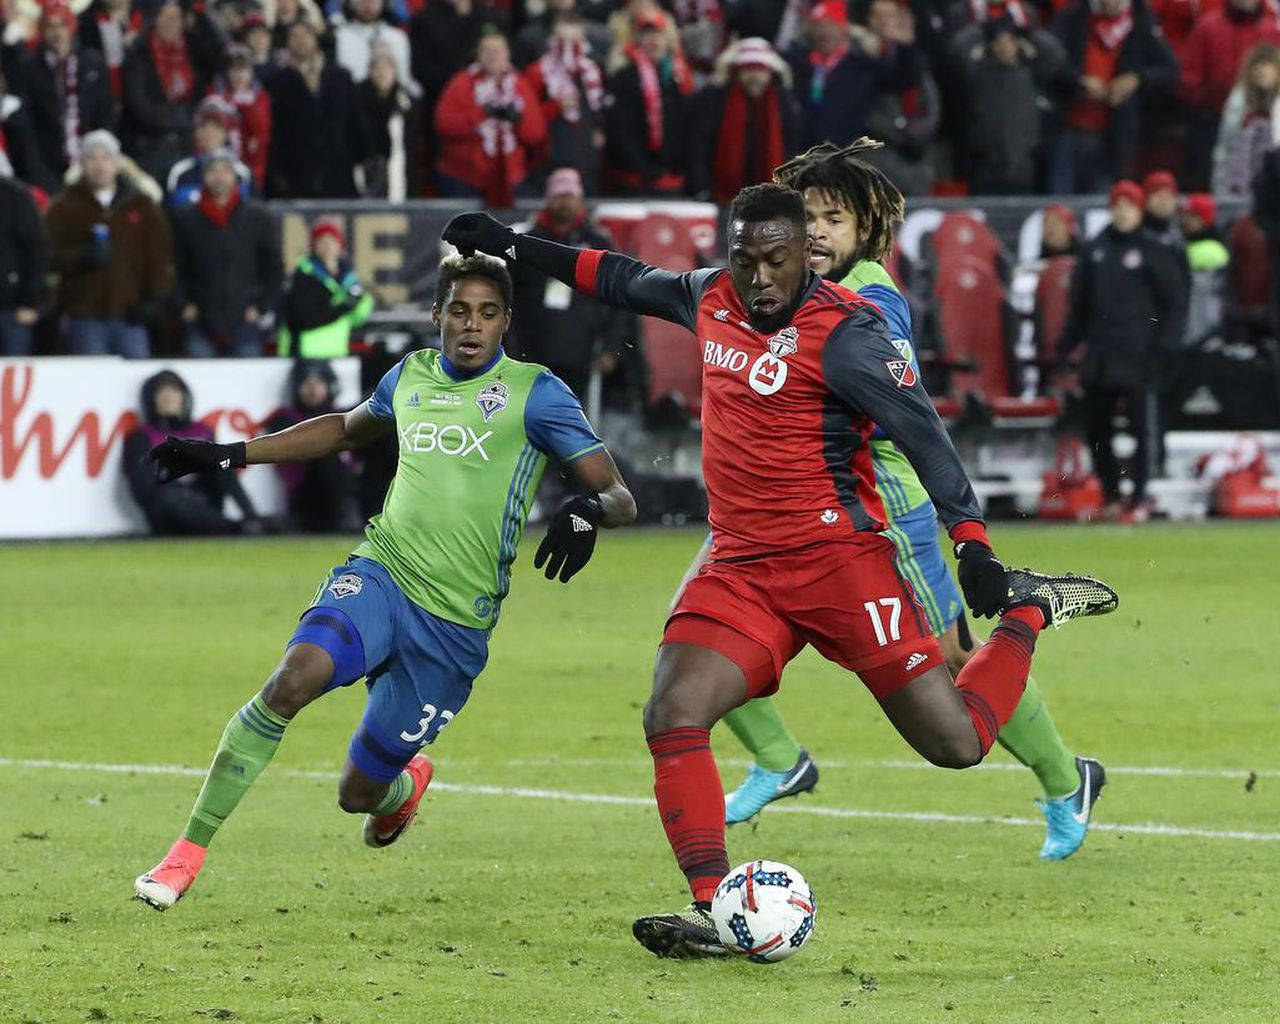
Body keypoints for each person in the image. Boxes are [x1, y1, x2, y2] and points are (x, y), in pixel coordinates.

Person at [443, 190, 1120, 959]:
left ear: (806, 255)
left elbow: (926, 437)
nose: (759, 278)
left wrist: (973, 547)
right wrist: (512, 242)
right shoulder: (711, 296)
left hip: (843, 567)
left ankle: (1028, 617)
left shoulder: (849, 334)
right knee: (673, 713)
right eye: (746, 259)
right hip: (741, 565)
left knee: (957, 745)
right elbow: (621, 277)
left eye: (776, 260)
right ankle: (718, 911)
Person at [133, 251, 637, 911]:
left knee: (357, 794)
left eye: (487, 313)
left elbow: (621, 495)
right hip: (383, 573)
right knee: (295, 677)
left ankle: (404, 788)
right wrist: (232, 453)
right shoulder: (410, 377)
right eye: (458, 310)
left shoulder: (536, 393)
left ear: (506, 321)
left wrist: (588, 514)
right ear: (437, 315)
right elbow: (344, 430)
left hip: (453, 628)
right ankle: (185, 854)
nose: (471, 325)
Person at [678, 141, 1101, 863]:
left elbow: (890, 408)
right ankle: (781, 760)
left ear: (866, 230)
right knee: (696, 630)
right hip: (768, 512)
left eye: (833, 220)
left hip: (878, 512)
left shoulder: (870, 300)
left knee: (953, 662)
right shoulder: (773, 291)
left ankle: (1067, 779)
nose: (816, 233)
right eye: (806, 217)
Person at [1057, 180, 1187, 522]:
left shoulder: (1154, 250)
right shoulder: (1095, 251)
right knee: (1097, 430)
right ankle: (1111, 494)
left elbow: (1173, 304)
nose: (1123, 212)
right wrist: (1063, 349)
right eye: (1118, 205)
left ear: (1139, 209)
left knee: (1142, 428)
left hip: (1141, 356)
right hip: (1100, 357)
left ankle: (1141, 495)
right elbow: (1079, 306)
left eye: (1129, 205)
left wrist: (1167, 347)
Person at [45, 130, 173, 358]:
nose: (99, 165)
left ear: (117, 163)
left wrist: (154, 300)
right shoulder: (63, 206)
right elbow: (49, 256)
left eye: (106, 157)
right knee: (90, 383)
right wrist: (81, 256)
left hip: (131, 314)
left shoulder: (142, 205)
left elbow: (160, 256)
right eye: (92, 158)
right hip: (84, 315)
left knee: (133, 378)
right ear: (82, 165)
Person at [507, 167, 632, 401]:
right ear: (548, 199)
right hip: (530, 351)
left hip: (581, 352)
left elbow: (619, 299)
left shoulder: (598, 241)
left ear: (580, 199)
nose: (564, 203)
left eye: (570, 196)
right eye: (559, 196)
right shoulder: (527, 241)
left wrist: (612, 348)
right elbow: (507, 296)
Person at [1048, 0, 1179, 194]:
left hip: (1114, 138)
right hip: (1067, 131)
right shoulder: (1073, 17)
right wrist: (1079, 81)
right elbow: (1049, 64)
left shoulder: (1141, 20)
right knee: (1060, 203)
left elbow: (1170, 71)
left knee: (1102, 204)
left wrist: (1137, 80)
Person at [122, 369, 260, 535]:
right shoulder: (141, 437)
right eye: (162, 395)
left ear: (184, 398)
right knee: (171, 496)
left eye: (174, 393)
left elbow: (227, 475)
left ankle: (252, 519)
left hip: (206, 501)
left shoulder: (202, 431)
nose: (169, 399)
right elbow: (143, 487)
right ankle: (234, 529)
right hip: (168, 510)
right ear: (151, 401)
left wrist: (249, 513)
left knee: (222, 461)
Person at [171, 148, 281, 357]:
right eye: (213, 171)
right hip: (201, 320)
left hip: (245, 322)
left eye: (225, 171)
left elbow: (274, 267)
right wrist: (183, 305)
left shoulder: (257, 216)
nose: (219, 177)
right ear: (203, 176)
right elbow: (175, 266)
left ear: (235, 176)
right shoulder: (186, 218)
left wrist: (261, 307)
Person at [784, 0, 923, 151]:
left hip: (847, 154)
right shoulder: (798, 64)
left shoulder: (862, 65)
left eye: (831, 26)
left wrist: (906, 49)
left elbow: (903, 80)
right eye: (819, 26)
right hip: (803, 153)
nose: (825, 33)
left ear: (843, 29)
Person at [433, 30, 547, 205]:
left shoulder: (520, 85)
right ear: (478, 55)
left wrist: (518, 121)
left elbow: (536, 134)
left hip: (510, 178)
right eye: (487, 51)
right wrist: (480, 115)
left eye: (498, 51)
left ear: (507, 55)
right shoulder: (461, 83)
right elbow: (445, 124)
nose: (493, 56)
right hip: (466, 177)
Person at [263, 20, 371, 198]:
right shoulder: (275, 82)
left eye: (306, 34)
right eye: (294, 36)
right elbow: (274, 132)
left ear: (315, 38)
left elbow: (356, 122)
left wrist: (365, 157)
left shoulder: (341, 77)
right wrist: (277, 175)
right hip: (295, 177)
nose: (301, 41)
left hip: (339, 175)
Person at [688, 37, 801, 204]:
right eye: (748, 70)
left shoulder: (784, 103)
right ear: (737, 72)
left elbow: (793, 148)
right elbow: (699, 146)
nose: (755, 76)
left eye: (761, 70)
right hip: (721, 197)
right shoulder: (715, 100)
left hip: (771, 199)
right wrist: (701, 187)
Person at [17, 0, 115, 189]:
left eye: (62, 25)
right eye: (50, 26)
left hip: (92, 162)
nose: (57, 33)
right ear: (42, 30)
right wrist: (40, 175)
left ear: (71, 27)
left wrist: (97, 160)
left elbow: (105, 115)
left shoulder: (92, 62)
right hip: (48, 165)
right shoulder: (28, 68)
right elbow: (26, 127)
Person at [262, 360, 363, 533]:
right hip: (304, 492)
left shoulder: (344, 415)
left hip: (344, 490)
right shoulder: (284, 418)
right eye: (307, 383)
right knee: (324, 446)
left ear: (329, 386)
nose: (312, 389)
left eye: (318, 383)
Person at [601, 9, 694, 195]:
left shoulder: (680, 78)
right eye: (647, 35)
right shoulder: (624, 77)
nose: (654, 41)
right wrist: (643, 169)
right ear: (637, 40)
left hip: (672, 178)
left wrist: (678, 165)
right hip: (634, 181)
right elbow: (618, 131)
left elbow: (686, 127)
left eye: (659, 35)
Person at [523, 11, 607, 195]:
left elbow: (598, 107)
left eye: (573, 41)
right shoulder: (537, 72)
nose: (568, 48)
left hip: (584, 157)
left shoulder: (591, 71)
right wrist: (556, 106)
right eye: (562, 41)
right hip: (548, 158)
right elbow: (528, 117)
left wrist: (598, 128)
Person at [960, 15, 1042, 194]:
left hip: (1022, 168)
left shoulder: (1031, 74)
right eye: (999, 42)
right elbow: (957, 55)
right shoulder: (977, 76)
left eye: (1010, 41)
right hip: (984, 169)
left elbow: (1055, 60)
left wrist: (1031, 40)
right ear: (990, 46)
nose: (1004, 47)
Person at [278, 218, 373, 357]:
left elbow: (358, 317)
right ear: (313, 246)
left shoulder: (348, 277)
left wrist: (360, 301)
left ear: (340, 245)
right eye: (322, 241)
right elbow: (304, 317)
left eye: (332, 241)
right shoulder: (303, 274)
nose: (327, 246)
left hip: (337, 350)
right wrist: (346, 305)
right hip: (305, 353)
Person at [1211, 42, 1280, 197]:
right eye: (1258, 67)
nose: (1262, 71)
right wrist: (1220, 185)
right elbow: (1225, 146)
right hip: (1242, 181)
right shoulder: (1237, 102)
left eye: (1268, 67)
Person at [357, 47, 422, 200]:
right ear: (370, 72)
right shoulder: (357, 99)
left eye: (387, 67)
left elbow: (411, 145)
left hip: (398, 170)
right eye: (377, 68)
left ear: (395, 72)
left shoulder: (406, 102)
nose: (381, 73)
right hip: (367, 167)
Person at [165, 95, 253, 208]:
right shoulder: (179, 172)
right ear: (195, 132)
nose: (209, 133)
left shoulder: (242, 173)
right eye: (203, 127)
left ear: (226, 132)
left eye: (216, 127)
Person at [0, 153, 46, 356]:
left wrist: (30, 301)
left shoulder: (16, 196)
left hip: (12, 309)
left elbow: (37, 250)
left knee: (13, 377)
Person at [335, 0, 419, 96]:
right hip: (349, 101)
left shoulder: (397, 37)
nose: (367, 3)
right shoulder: (338, 36)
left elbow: (404, 81)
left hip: (388, 102)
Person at [1179, 192, 1230, 342]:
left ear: (1204, 219)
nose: (1184, 220)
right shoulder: (1185, 244)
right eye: (1184, 215)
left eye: (1191, 216)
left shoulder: (1212, 249)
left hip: (1203, 325)